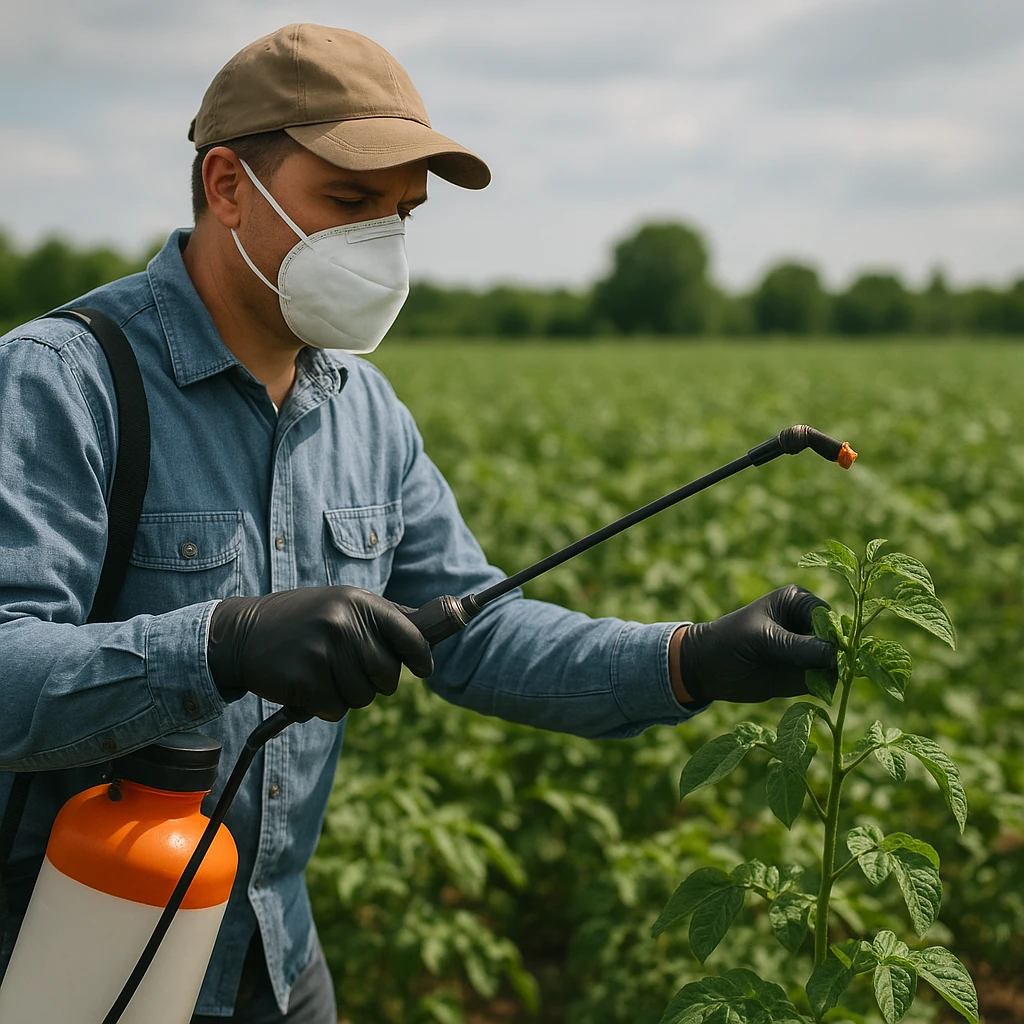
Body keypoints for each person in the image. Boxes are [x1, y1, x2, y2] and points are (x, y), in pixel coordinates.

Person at [0, 23, 835, 1024]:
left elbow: (471, 629)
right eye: (348, 202)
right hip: (83, 953)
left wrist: (688, 659)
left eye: (400, 214)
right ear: (227, 186)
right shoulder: (63, 380)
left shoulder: (366, 413)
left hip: (277, 954)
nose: (380, 244)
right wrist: (220, 645)